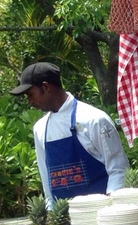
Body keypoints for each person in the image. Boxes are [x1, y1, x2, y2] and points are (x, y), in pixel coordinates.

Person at [11, 61, 129, 205]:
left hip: (102, 216)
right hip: (65, 221)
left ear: (46, 87)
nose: (29, 101)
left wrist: (113, 208)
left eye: (30, 94)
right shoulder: (40, 129)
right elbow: (47, 181)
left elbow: (118, 169)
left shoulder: (94, 120)